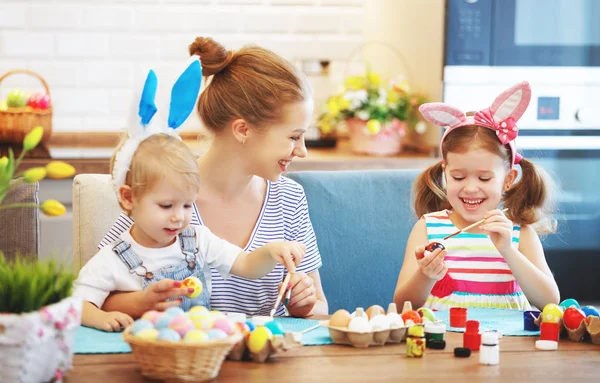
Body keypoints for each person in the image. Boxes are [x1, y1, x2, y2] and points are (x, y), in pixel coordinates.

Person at [98, 36, 327, 319]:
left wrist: (302, 305)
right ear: (243, 130)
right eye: (294, 136)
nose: (302, 151)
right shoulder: (165, 194)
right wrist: (147, 300)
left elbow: (320, 307)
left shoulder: (289, 199)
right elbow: (98, 300)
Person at [393, 81, 560, 311]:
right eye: (459, 177)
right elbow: (402, 305)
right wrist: (426, 274)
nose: (470, 189)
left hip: (506, 345)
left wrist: (507, 251)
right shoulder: (428, 228)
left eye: (484, 179)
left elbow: (550, 301)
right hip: (443, 344)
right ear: (445, 173)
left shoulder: (518, 232)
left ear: (508, 179)